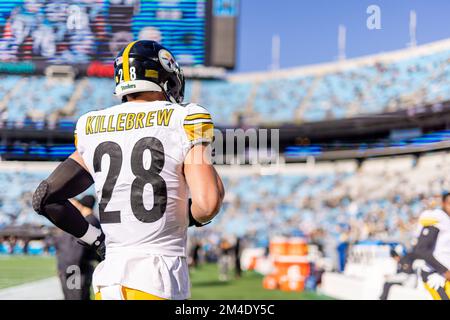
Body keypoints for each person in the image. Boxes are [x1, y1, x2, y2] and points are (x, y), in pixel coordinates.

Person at [32, 40, 224, 300]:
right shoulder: (186, 118)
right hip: (157, 278)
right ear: (165, 75)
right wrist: (186, 217)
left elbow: (45, 197)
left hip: (107, 282)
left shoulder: (91, 125)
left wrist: (98, 241)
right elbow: (208, 203)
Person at [54, 195, 100, 300]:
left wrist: (66, 268)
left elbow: (76, 250)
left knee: (75, 297)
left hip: (75, 269)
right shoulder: (89, 220)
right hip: (75, 268)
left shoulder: (88, 222)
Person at [413, 193, 450, 300]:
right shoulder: (438, 218)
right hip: (435, 275)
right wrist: (444, 270)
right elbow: (421, 249)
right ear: (443, 203)